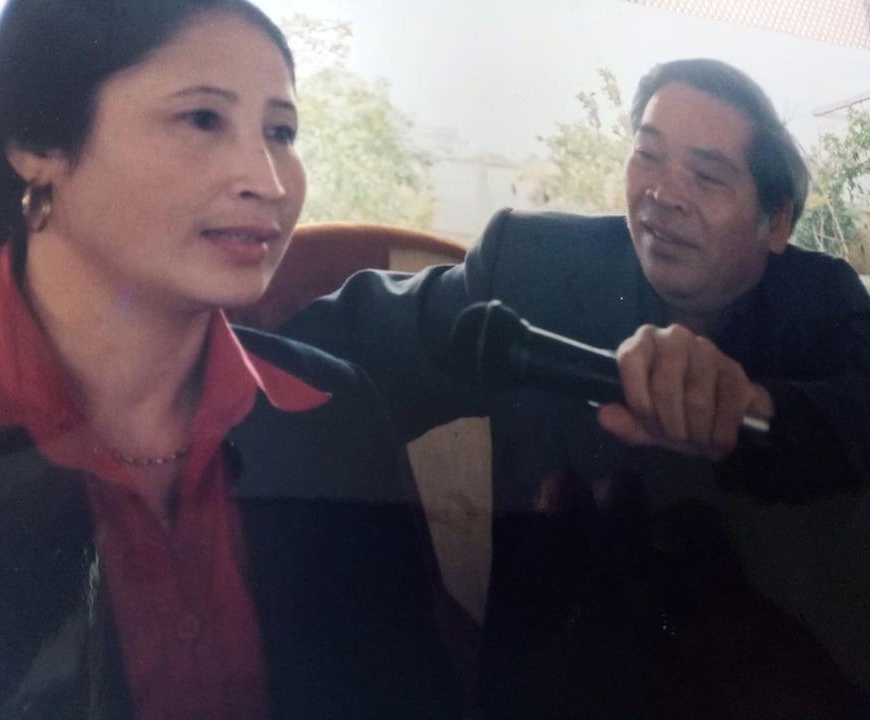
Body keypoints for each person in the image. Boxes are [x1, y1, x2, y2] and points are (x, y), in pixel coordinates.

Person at [0, 1, 457, 718]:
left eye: (281, 132)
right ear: (36, 142)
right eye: (203, 119)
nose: (268, 181)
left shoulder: (333, 412)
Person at [284, 58, 870, 718]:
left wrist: (750, 408)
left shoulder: (822, 301)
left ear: (777, 221)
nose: (663, 193)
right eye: (648, 155)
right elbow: (340, 350)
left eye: (707, 176)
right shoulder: (536, 266)